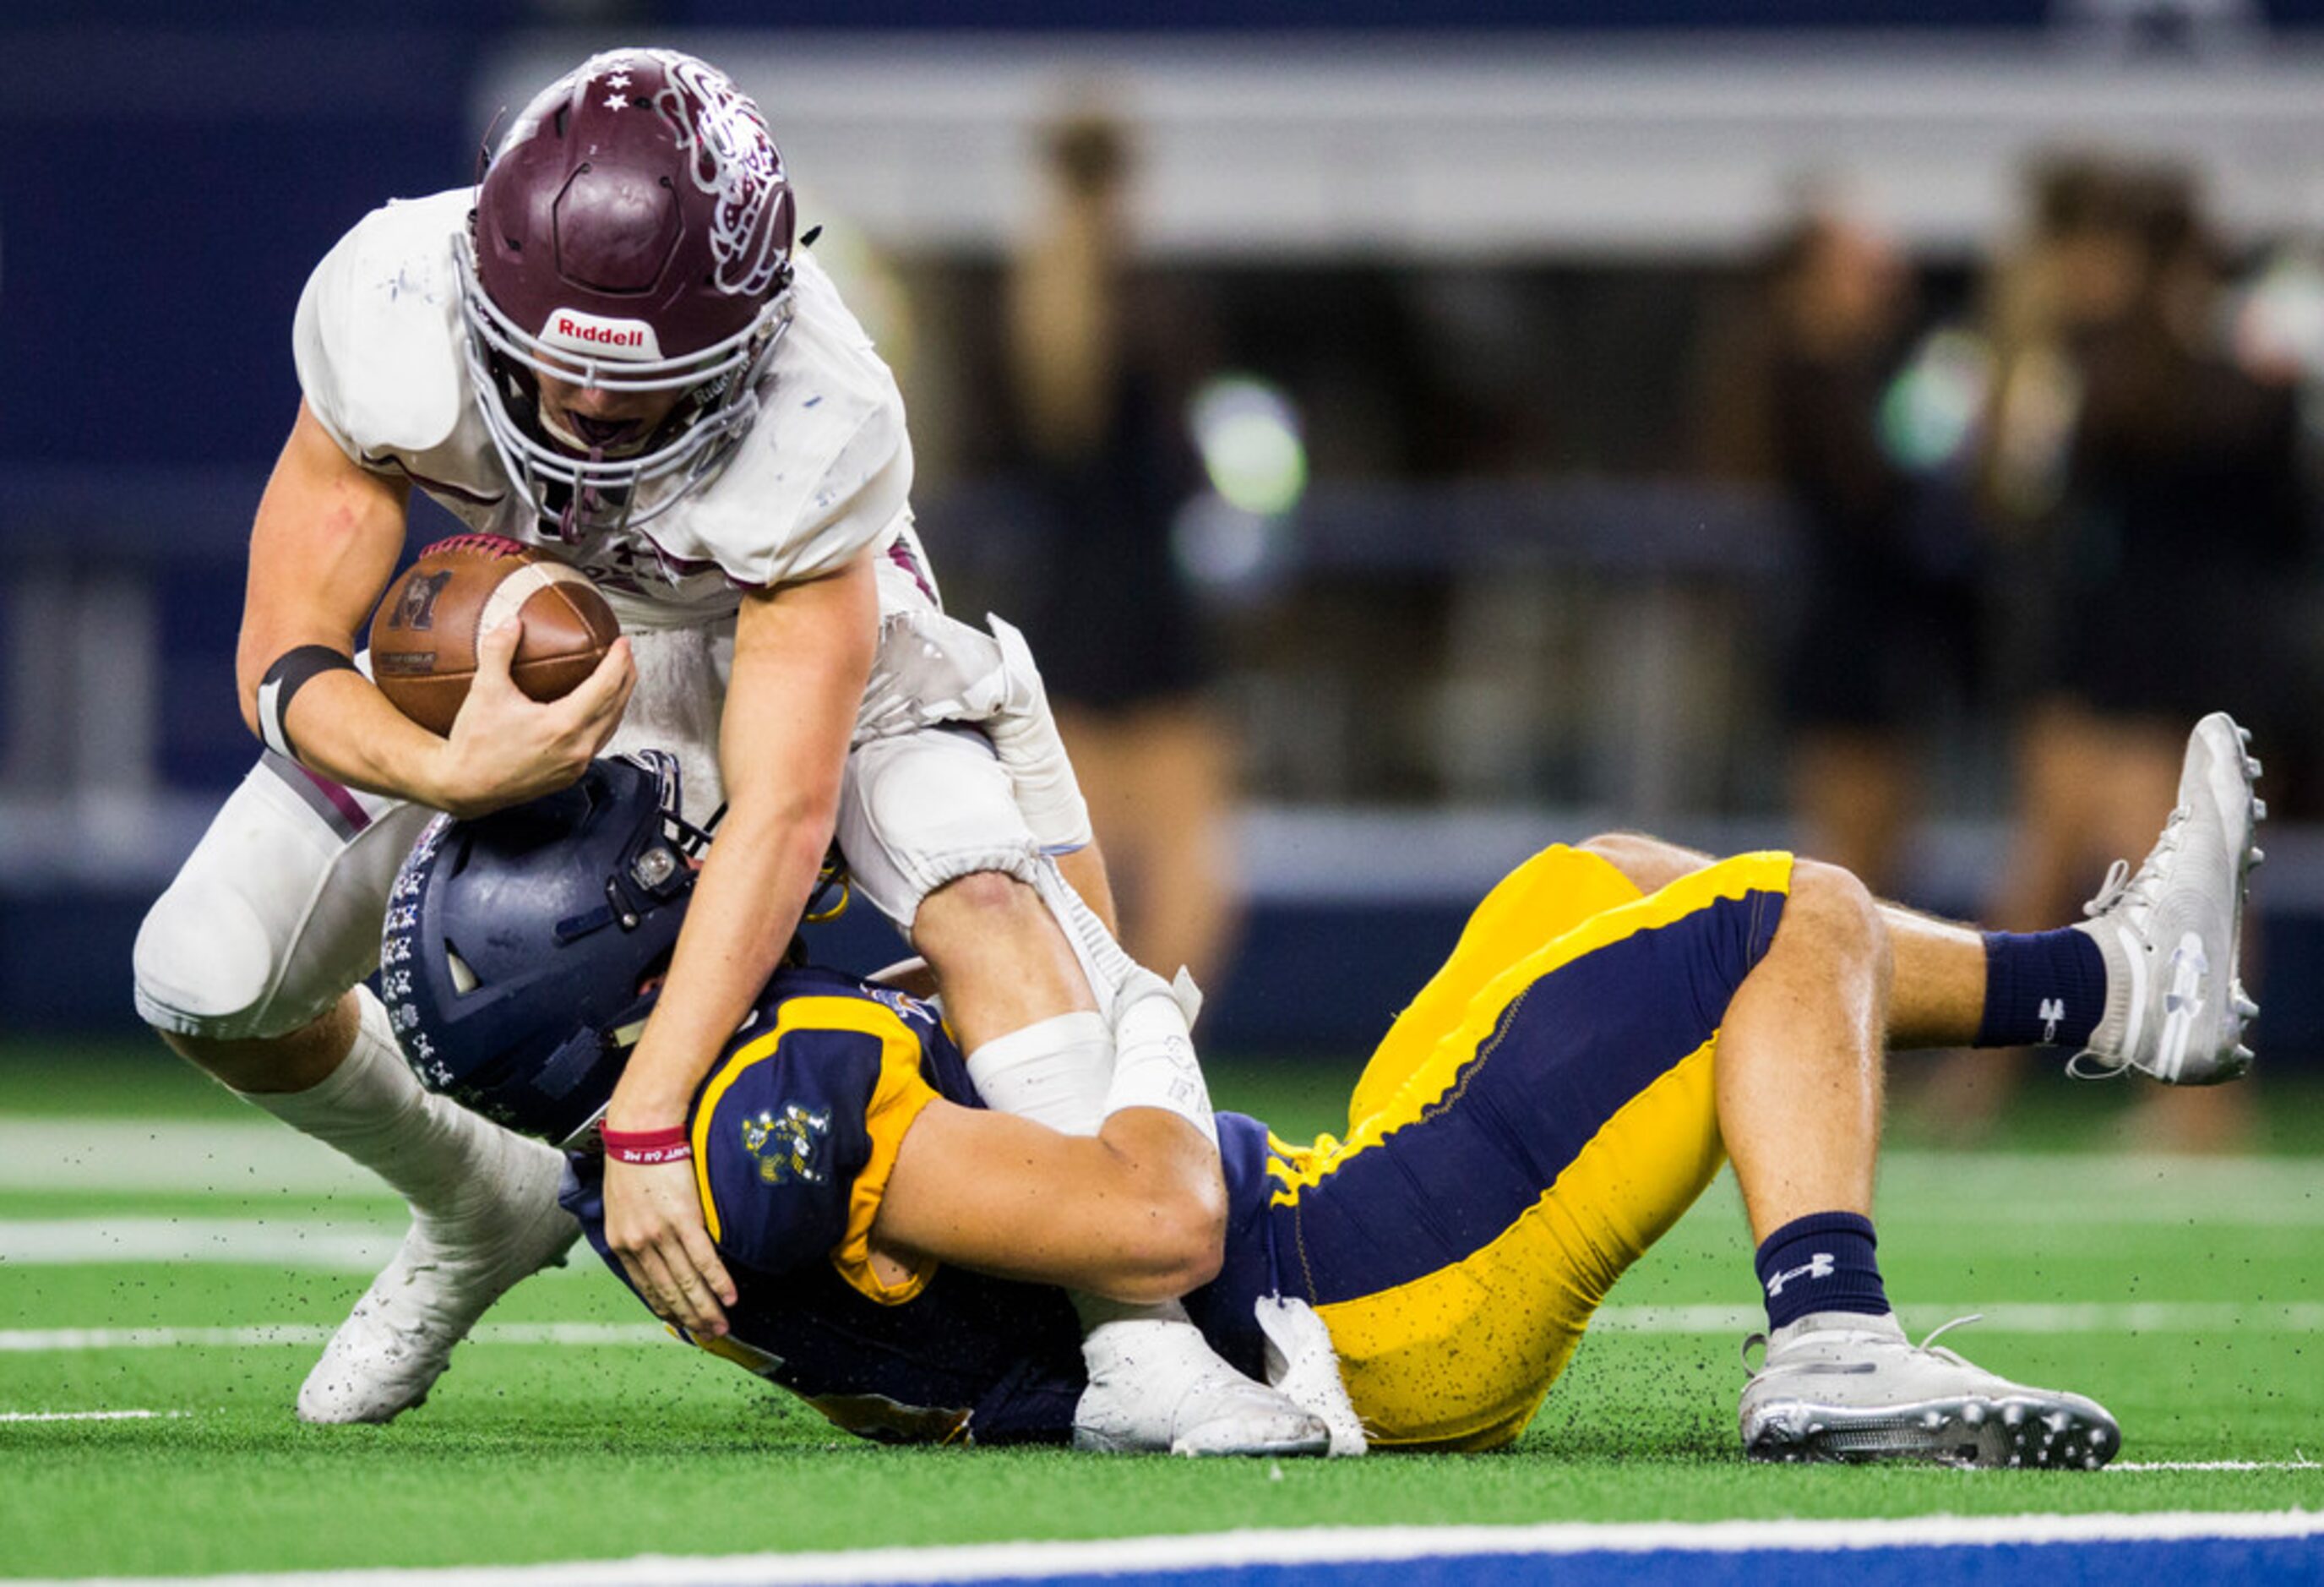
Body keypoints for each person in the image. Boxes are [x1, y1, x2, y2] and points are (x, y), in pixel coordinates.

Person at [128, 46, 1318, 1453]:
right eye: (552, 371)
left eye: (640, 390)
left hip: (770, 638)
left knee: (980, 885)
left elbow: (780, 808)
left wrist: (643, 1124)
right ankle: (474, 1197)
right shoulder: (392, 301)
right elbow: (286, 652)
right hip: (540, 651)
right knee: (202, 973)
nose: (584, 416)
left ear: (753, 334)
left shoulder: (826, 411)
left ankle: (1139, 1341)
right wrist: (453, 771)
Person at [389, 708, 2262, 1462]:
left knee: (1596, 881)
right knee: (1783, 919)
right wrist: (1127, 1006)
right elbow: (1150, 1214)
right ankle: (1828, 1337)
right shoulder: (769, 1114)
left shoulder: (679, 1147)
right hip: (1356, 1305)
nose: (689, 859)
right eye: (643, 868)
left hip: (1302, 1249)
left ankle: (2116, 990)